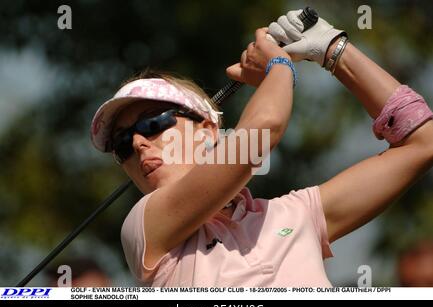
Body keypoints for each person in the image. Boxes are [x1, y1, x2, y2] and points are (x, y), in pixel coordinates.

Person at [90, 9, 433, 286]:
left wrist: (333, 50)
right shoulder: (144, 227)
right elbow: (261, 132)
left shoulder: (297, 214)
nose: (137, 142)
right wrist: (278, 67)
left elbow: (422, 143)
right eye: (122, 144)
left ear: (208, 129)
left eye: (153, 121)